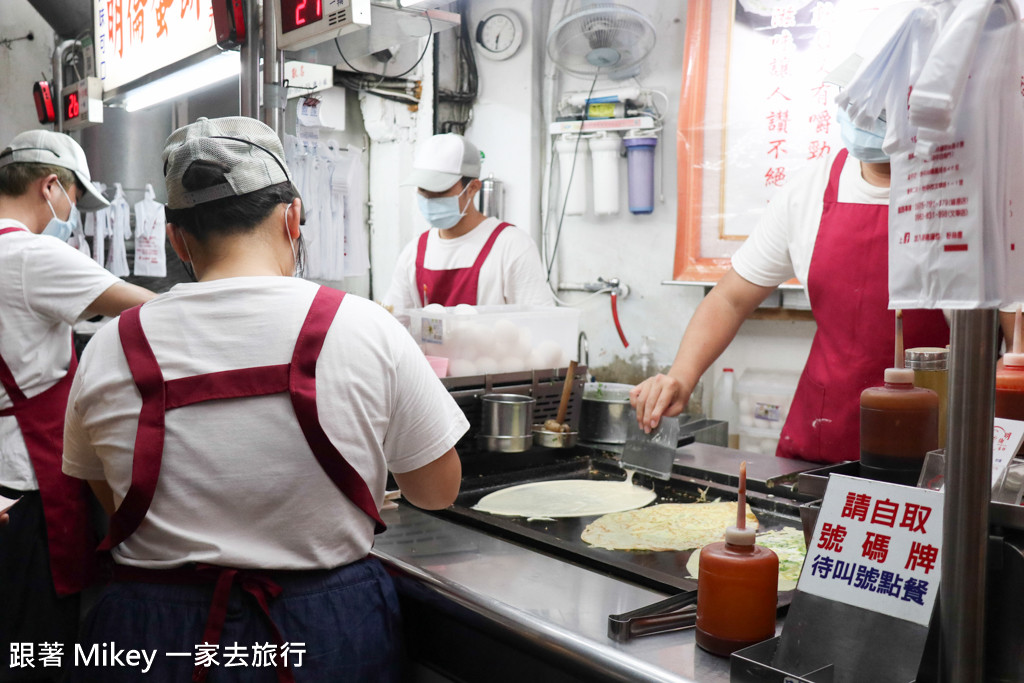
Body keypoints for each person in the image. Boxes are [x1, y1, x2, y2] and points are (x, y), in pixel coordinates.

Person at [62, 117, 466, 682]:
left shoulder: (110, 347)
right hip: (327, 633)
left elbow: (110, 494)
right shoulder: (365, 328)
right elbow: (438, 490)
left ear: (177, 238)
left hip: (154, 643)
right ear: (293, 217)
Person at [631, 108, 950, 464]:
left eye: (884, 106)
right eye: (861, 101)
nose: (871, 115)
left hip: (937, 449)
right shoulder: (809, 190)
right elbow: (730, 298)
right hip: (822, 440)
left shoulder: (966, 191)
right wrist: (681, 377)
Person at [0, 129, 155, 679]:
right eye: (72, 197)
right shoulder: (27, 254)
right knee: (36, 648)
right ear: (50, 186)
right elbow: (148, 309)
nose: (70, 212)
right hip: (25, 489)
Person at [382, 133, 554, 309]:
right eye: (423, 190)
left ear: (472, 188)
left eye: (440, 191)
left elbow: (540, 323)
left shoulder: (511, 246)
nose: (429, 199)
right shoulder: (414, 253)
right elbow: (394, 322)